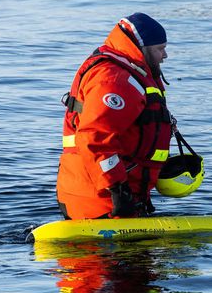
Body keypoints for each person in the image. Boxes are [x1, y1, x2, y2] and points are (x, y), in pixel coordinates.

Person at [56, 13, 174, 219]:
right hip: (100, 199)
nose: (165, 55)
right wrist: (118, 190)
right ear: (142, 48)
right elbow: (96, 139)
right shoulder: (115, 81)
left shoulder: (130, 71)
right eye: (160, 49)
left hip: (108, 192)